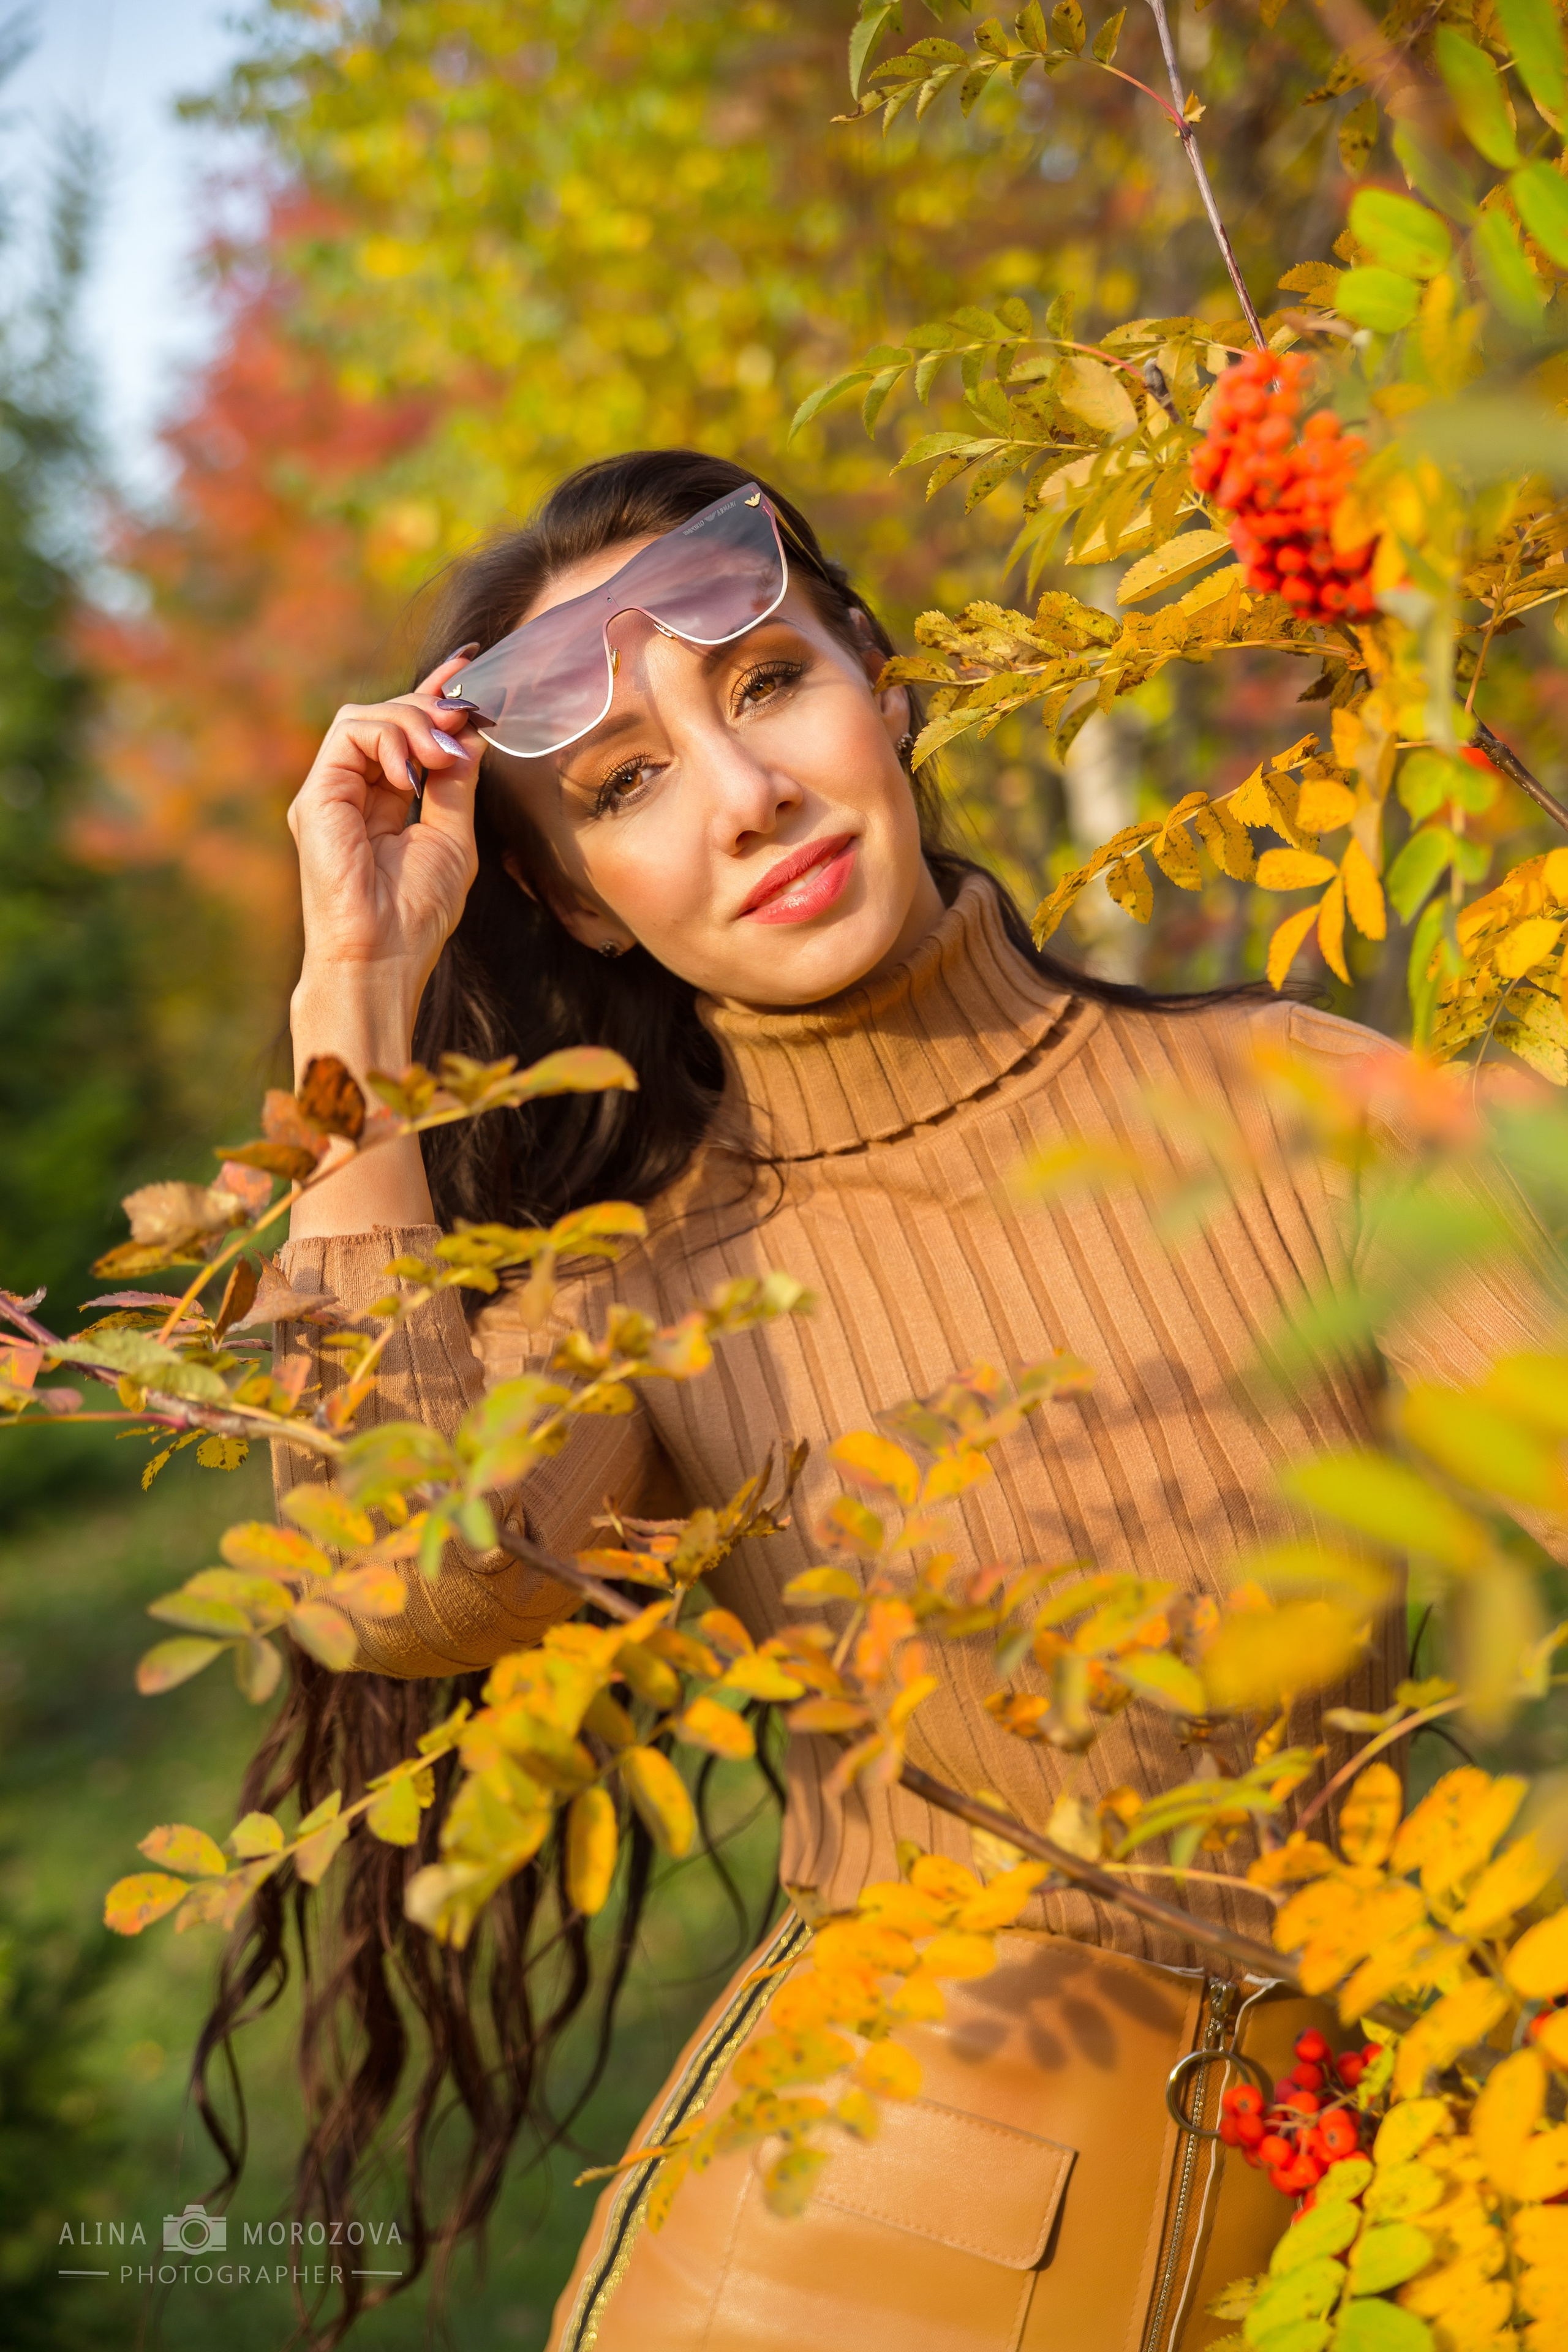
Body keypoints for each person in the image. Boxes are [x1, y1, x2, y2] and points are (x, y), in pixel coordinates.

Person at [270, 449, 1551, 2352]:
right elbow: (395, 1581)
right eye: (626, 786)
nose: (744, 795)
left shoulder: (1308, 1111)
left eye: (770, 683)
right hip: (833, 2268)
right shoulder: (650, 1287)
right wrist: (355, 983)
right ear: (587, 906)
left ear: (888, 689)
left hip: (1353, 2226)